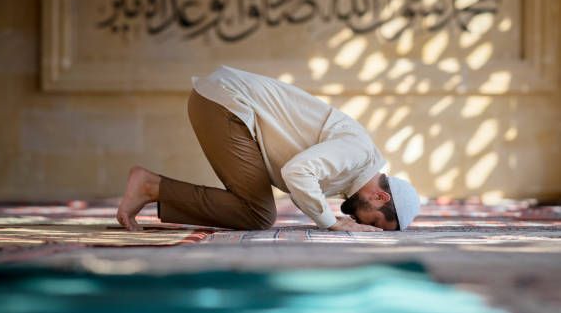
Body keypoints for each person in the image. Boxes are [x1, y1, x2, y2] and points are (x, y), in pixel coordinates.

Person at [117, 65, 421, 232]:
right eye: (376, 222)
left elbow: (299, 182)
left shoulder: (351, 172)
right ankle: (150, 186)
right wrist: (331, 223)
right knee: (258, 214)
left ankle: (153, 187)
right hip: (226, 103)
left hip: (223, 103)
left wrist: (329, 218)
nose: (363, 225)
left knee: (257, 213)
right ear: (380, 197)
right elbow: (297, 172)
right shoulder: (358, 153)